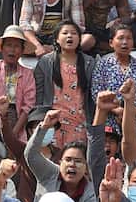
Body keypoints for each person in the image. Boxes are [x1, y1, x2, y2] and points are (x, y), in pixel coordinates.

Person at [26, 111, 97, 202]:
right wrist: (44, 126)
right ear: (60, 162)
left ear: (86, 167)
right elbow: (31, 155)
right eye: (68, 160)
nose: (72, 165)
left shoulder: (90, 191)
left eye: (78, 161)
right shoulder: (50, 173)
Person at [33, 21, 94, 150]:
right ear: (57, 39)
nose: (69, 36)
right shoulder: (46, 62)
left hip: (80, 121)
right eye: (65, 33)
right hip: (53, 121)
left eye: (74, 33)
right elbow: (39, 94)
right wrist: (39, 120)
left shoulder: (89, 63)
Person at [92, 22, 136, 143]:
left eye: (129, 38)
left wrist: (131, 113)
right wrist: (117, 110)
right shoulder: (103, 65)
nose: (125, 42)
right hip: (110, 122)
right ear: (111, 42)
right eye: (120, 38)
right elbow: (96, 92)